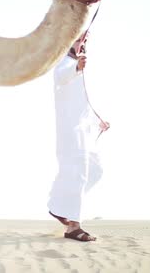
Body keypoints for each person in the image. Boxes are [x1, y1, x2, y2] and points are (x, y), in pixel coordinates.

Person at [47, 35, 110, 242]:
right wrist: (76, 68)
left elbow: (84, 102)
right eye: (77, 39)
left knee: (96, 169)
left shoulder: (81, 67)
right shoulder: (64, 63)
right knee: (78, 173)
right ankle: (73, 226)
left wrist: (98, 120)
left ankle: (59, 206)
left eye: (84, 40)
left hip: (85, 130)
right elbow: (61, 77)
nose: (82, 43)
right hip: (70, 131)